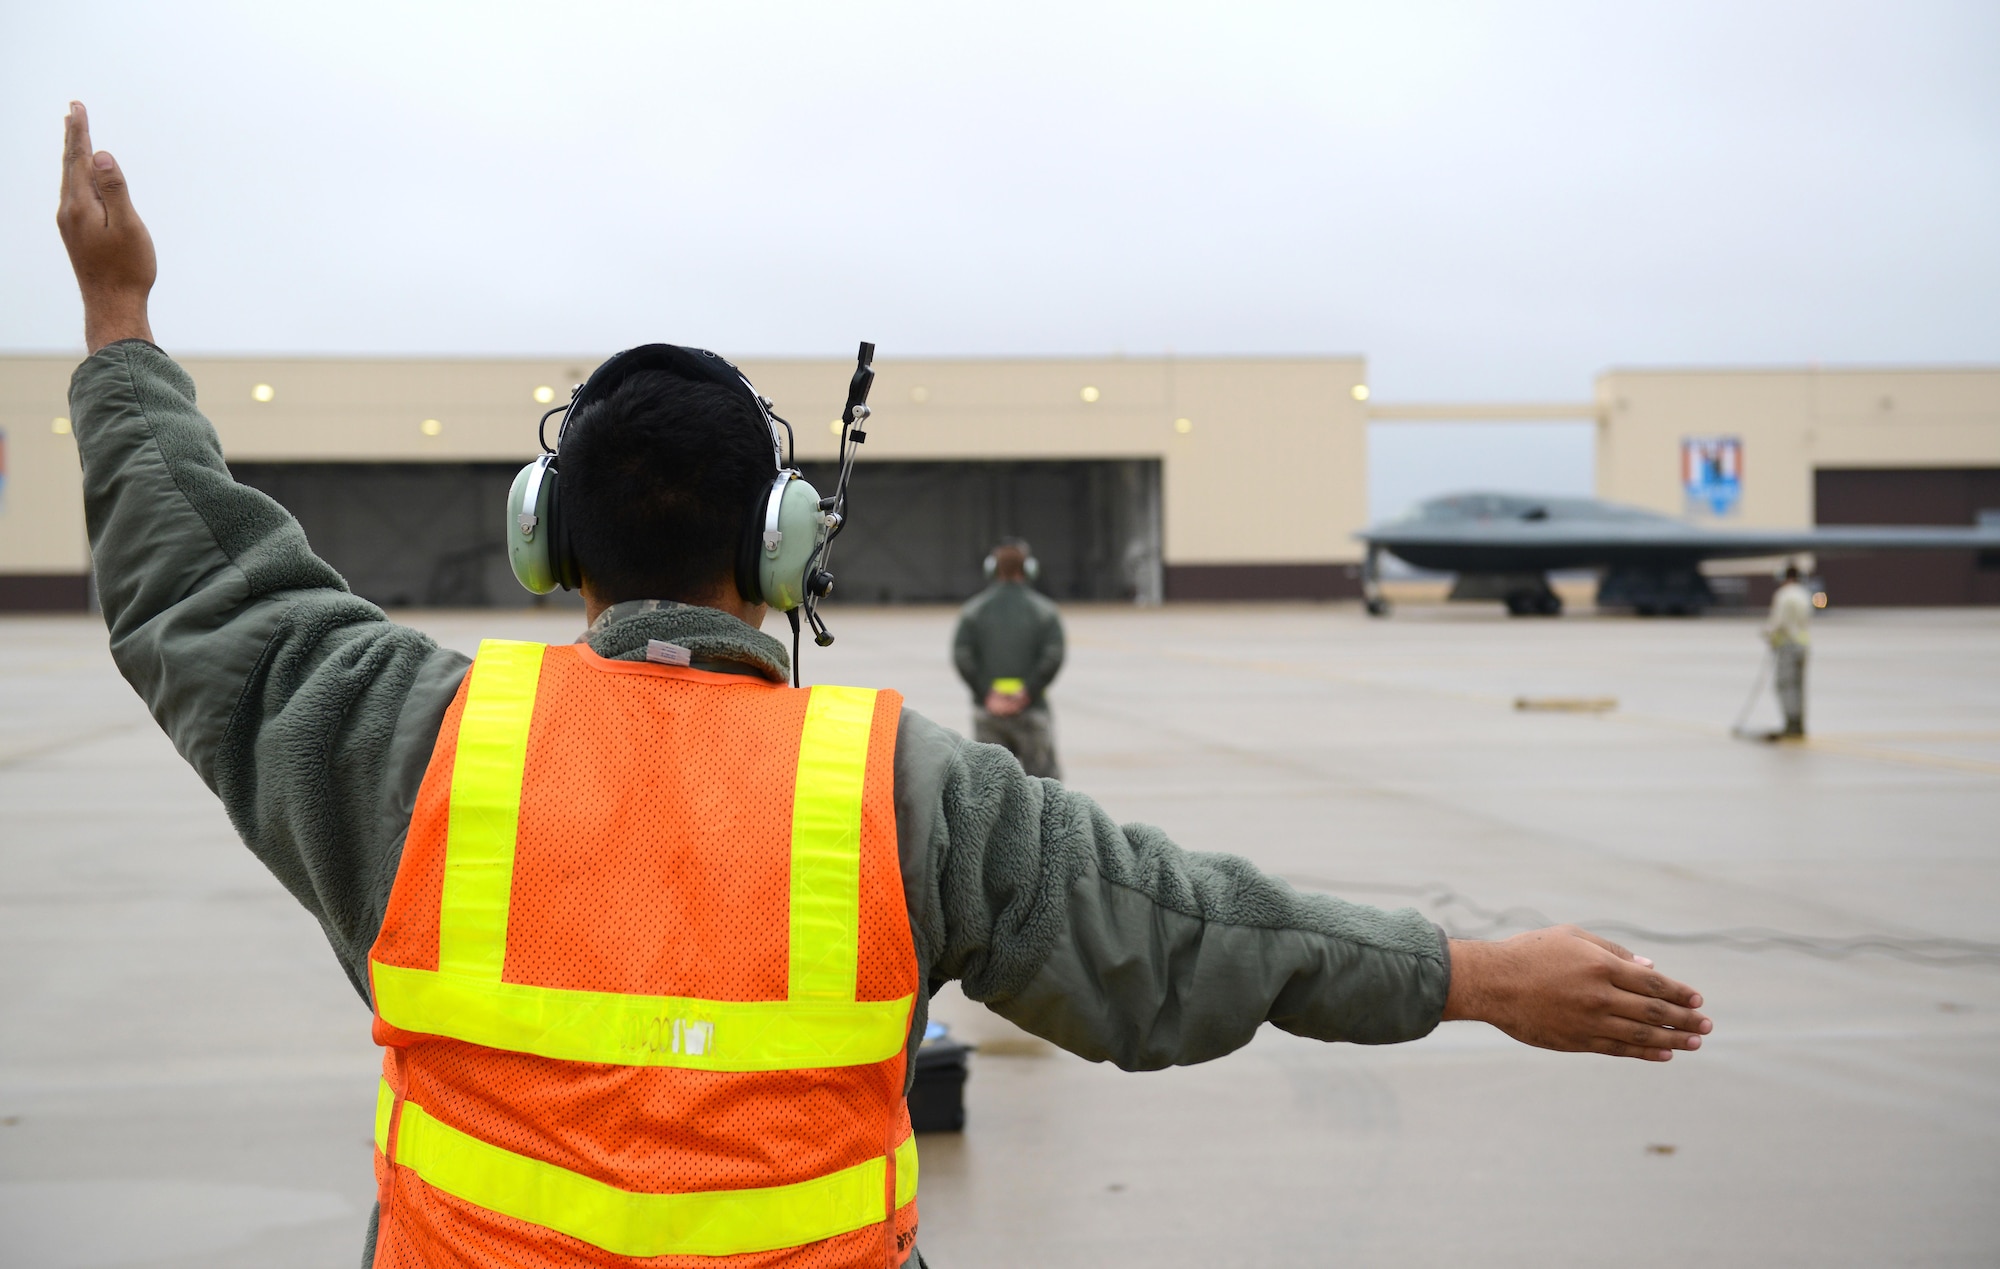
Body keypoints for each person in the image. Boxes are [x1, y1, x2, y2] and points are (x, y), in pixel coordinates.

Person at [55, 102, 1710, 1269]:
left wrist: (120, 316)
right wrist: (1476, 971)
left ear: (548, 544)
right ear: (780, 558)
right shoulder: (897, 787)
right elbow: (1187, 933)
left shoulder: (409, 740)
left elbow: (194, 575)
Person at [952, 538, 1065, 778]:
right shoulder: (1044, 611)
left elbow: (962, 656)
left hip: (989, 712)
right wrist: (1027, 693)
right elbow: (1053, 657)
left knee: (992, 786)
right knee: (1045, 789)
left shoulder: (974, 611)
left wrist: (986, 694)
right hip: (1032, 710)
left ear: (992, 569)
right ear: (1028, 569)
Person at [1765, 562, 1813, 738]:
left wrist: (1768, 634)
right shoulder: (1804, 594)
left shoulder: (1784, 595)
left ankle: (1791, 724)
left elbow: (1779, 621)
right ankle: (1800, 723)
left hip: (1788, 644)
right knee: (1800, 686)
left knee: (1785, 685)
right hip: (1804, 644)